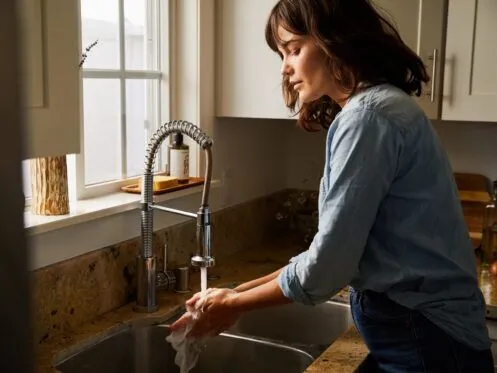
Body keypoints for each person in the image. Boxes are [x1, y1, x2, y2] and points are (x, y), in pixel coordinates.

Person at [171, 0, 494, 371]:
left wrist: (235, 305)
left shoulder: (367, 118)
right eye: (281, 54)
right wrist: (235, 294)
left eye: (293, 49)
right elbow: (328, 253)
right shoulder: (378, 107)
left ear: (335, 41)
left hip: (428, 341)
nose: (285, 68)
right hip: (424, 337)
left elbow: (326, 268)